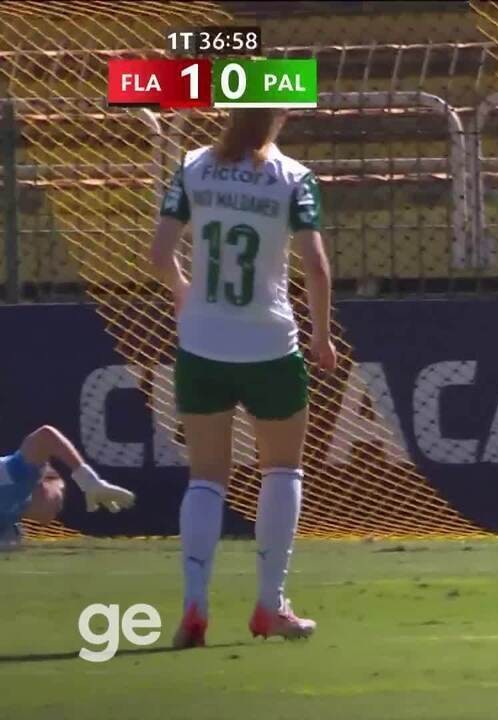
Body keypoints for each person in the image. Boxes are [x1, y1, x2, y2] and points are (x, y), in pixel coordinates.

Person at [150, 108, 337, 649]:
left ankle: (194, 603)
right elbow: (317, 267)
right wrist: (322, 337)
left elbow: (159, 255)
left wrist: (184, 293)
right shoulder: (293, 178)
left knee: (206, 477)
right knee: (282, 470)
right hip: (269, 343)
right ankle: (269, 604)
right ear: (278, 116)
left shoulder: (192, 167)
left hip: (203, 342)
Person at [0, 425, 135, 544]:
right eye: (60, 493)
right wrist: (89, 481)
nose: (59, 507)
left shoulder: (13, 516)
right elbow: (45, 435)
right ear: (42, 483)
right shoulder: (17, 477)